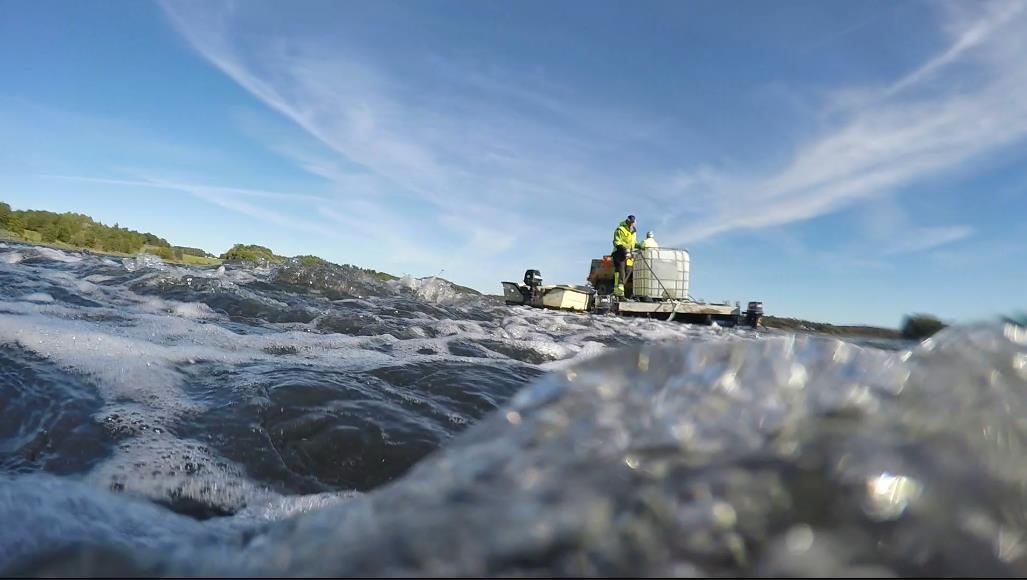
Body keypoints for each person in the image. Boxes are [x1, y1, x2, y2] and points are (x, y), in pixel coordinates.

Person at [611, 215, 642, 297]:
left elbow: (633, 243)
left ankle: (618, 291)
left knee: (628, 272)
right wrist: (623, 249)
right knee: (621, 273)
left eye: (633, 223)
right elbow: (616, 241)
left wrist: (639, 246)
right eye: (631, 223)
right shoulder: (620, 229)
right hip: (619, 253)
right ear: (627, 221)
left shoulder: (634, 231)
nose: (632, 224)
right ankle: (619, 294)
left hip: (629, 255)